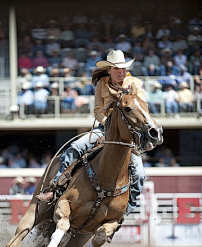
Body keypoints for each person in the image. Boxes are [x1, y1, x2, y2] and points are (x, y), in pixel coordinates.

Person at [40, 50, 146, 217]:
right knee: (74, 147)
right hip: (103, 130)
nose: (121, 71)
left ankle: (125, 212)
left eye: (123, 68)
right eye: (117, 68)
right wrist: (108, 125)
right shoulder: (101, 84)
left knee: (139, 173)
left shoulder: (135, 84)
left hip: (127, 136)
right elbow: (98, 110)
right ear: (109, 70)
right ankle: (55, 188)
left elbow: (141, 109)